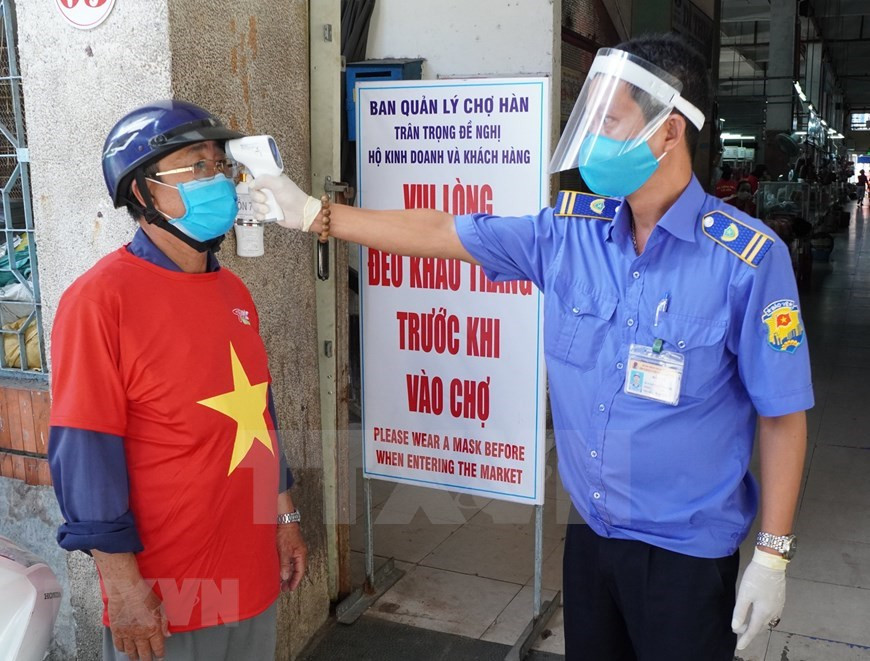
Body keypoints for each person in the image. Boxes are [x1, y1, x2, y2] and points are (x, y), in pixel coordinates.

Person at [254, 33, 812, 659]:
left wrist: (772, 555)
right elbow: (442, 230)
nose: (595, 137)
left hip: (686, 556)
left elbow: (782, 415)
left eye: (610, 121)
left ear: (669, 131)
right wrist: (314, 214)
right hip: (592, 535)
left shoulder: (746, 261)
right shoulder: (569, 235)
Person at [48, 100, 307, 661]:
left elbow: (260, 419)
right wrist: (122, 586)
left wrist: (285, 517)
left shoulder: (234, 293)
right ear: (142, 191)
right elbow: (85, 453)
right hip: (169, 593)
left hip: (251, 570)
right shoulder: (99, 301)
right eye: (198, 165)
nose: (219, 181)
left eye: (221, 165)